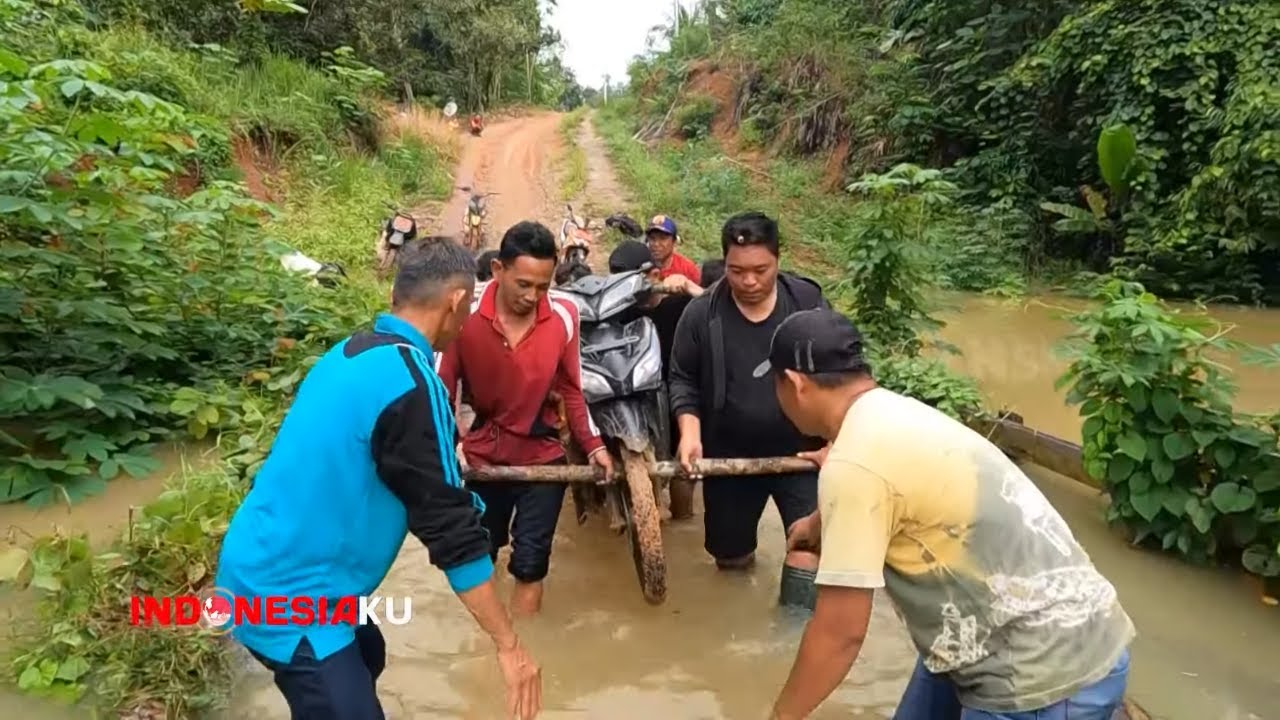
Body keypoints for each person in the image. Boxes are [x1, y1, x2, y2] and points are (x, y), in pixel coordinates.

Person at [215, 239, 542, 720]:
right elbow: (449, 526)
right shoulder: (413, 381)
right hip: (294, 601)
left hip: (250, 569)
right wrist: (508, 645)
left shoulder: (349, 352)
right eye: (470, 305)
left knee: (369, 652)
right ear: (456, 302)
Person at [760, 307, 1136, 720]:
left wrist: (779, 717)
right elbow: (898, 486)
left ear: (794, 384)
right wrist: (818, 523)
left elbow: (840, 635)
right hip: (1063, 626)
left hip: (1040, 676)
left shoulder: (854, 465)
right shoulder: (895, 412)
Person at [437, 221, 614, 617]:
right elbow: (442, 393)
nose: (533, 296)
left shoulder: (566, 315)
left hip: (542, 459)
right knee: (481, 556)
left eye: (543, 287)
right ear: (498, 270)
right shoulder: (463, 314)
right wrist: (452, 449)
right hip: (482, 460)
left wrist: (594, 445)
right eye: (523, 285)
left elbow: (572, 388)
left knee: (531, 566)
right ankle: (486, 648)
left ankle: (522, 646)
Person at [668, 211, 828, 608]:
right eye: (737, 271)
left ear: (778, 259)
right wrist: (690, 434)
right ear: (725, 264)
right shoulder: (701, 314)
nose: (750, 281)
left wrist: (836, 441)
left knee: (809, 546)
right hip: (728, 456)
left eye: (761, 269)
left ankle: (791, 641)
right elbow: (682, 378)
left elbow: (839, 374)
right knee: (731, 559)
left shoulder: (807, 303)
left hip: (802, 454)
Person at [607, 240, 704, 520]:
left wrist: (689, 287)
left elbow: (721, 310)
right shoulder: (617, 309)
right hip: (634, 391)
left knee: (683, 461)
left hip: (678, 389)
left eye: (631, 281)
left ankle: (682, 517)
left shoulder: (683, 305)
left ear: (653, 275)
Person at [645, 214, 701, 284]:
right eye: (652, 238)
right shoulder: (640, 265)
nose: (656, 244)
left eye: (662, 238)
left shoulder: (688, 269)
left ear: (674, 241)